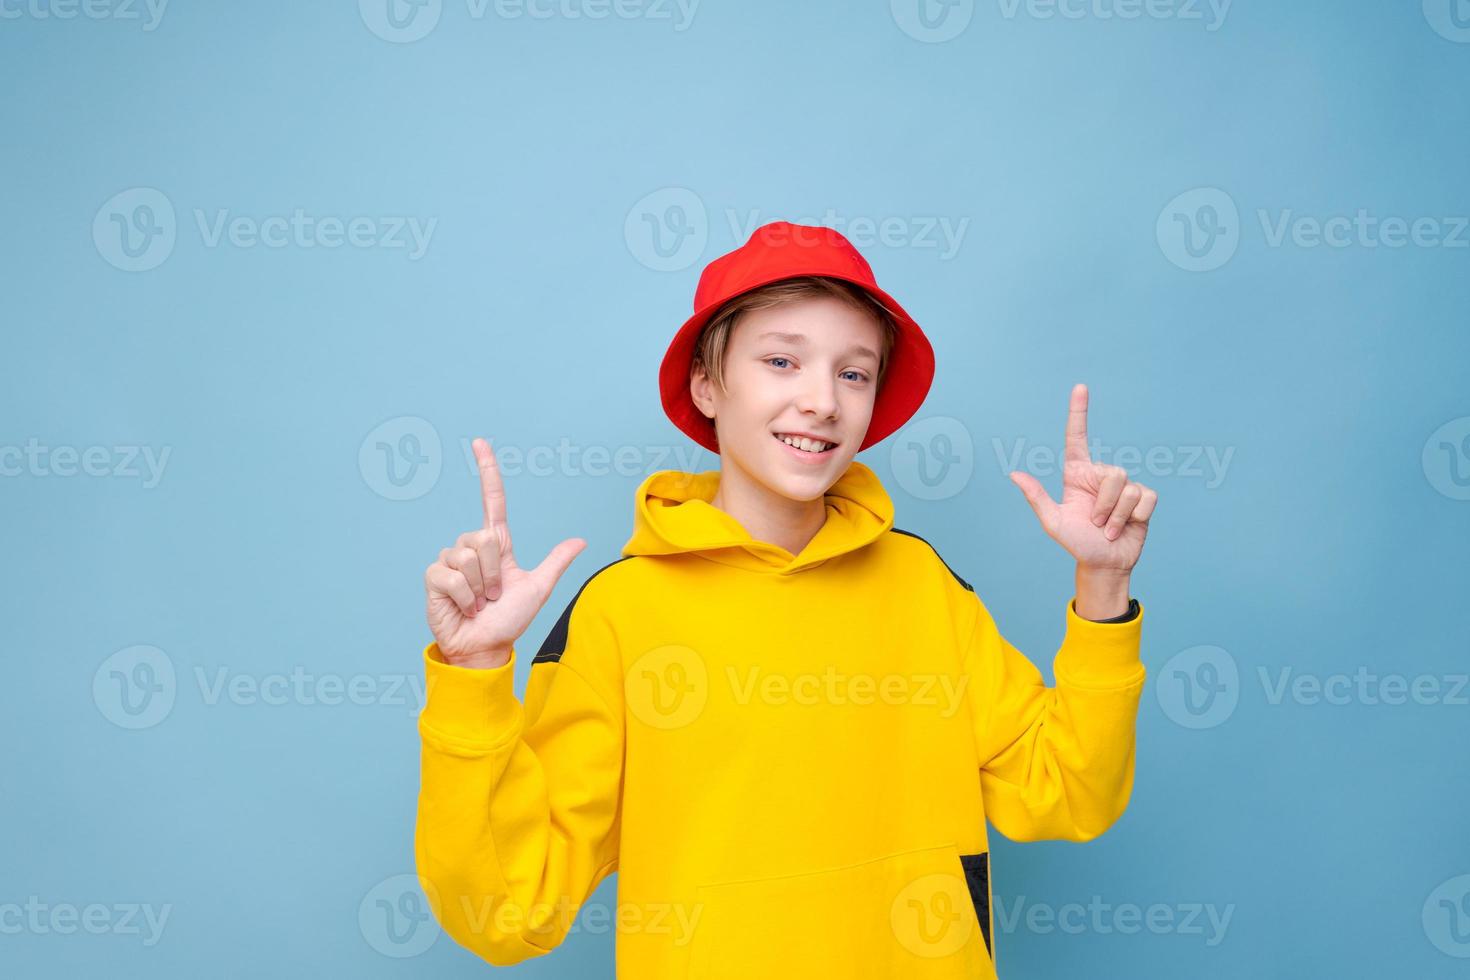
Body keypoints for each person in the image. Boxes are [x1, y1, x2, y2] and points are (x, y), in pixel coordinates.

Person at [415, 220, 1157, 978]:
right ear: (707, 384)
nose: (822, 401)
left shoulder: (921, 584)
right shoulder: (620, 612)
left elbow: (1070, 791)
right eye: (781, 360)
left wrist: (1103, 588)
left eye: (854, 373)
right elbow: (509, 910)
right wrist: (473, 676)